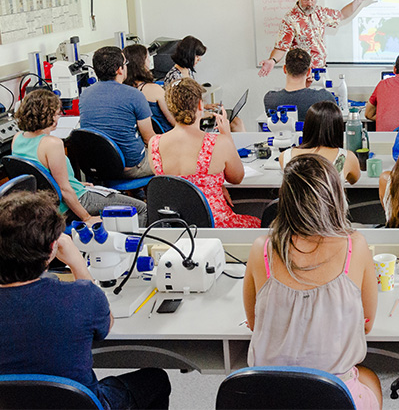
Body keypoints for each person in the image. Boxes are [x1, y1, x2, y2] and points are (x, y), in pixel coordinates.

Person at [0, 191, 171, 408]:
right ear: (52, 247)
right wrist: (77, 262)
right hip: (82, 405)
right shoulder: (80, 296)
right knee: (154, 380)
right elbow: (105, 325)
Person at [243, 154, 381, 410]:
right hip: (331, 396)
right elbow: (367, 324)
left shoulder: (261, 249)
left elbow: (253, 323)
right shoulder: (355, 245)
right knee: (369, 378)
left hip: (268, 397)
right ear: (335, 198)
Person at [12, 90, 147, 226]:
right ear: (48, 116)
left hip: (44, 204)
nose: (58, 118)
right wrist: (86, 218)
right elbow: (64, 190)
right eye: (57, 113)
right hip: (73, 202)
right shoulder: (52, 144)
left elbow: (44, 178)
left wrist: (76, 183)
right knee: (141, 209)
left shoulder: (17, 138)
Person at [148, 78, 260, 228]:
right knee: (259, 222)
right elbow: (237, 177)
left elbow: (177, 185)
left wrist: (216, 184)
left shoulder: (154, 143)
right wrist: (226, 136)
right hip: (215, 225)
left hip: (177, 227)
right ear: (200, 105)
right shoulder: (218, 142)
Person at [258, 0, 379, 77]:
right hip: (301, 73)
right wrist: (272, 60)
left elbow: (342, 15)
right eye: (306, 0)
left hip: (320, 70)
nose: (310, 4)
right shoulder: (290, 19)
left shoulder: (319, 12)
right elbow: (281, 47)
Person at [79, 46, 155, 179]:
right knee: (176, 158)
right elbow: (149, 139)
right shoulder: (134, 95)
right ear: (119, 69)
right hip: (130, 167)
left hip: (98, 166)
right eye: (125, 64)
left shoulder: (85, 94)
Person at [279, 101, 360, 185]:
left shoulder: (285, 156)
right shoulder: (347, 158)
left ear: (307, 126)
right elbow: (353, 180)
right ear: (338, 128)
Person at [263, 47, 335, 121]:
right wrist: (306, 89)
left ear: (284, 69)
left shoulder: (270, 99)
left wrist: (305, 89)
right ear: (309, 71)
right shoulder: (325, 97)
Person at [123, 44, 177, 132]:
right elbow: (173, 120)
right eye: (147, 58)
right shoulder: (154, 89)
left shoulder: (124, 90)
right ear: (141, 63)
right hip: (166, 137)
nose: (149, 62)